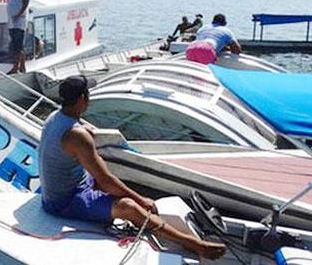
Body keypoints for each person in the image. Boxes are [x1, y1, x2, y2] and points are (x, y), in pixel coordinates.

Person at [39, 75, 226, 260]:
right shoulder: (77, 135)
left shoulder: (55, 117)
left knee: (113, 182)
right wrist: (141, 200)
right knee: (129, 207)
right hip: (63, 202)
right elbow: (105, 182)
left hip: (69, 186)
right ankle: (194, 244)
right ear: (82, 99)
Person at [6, 0, 30, 74]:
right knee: (17, 45)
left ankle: (16, 67)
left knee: (18, 46)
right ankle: (22, 67)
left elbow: (26, 0)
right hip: (12, 22)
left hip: (19, 21)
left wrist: (19, 14)